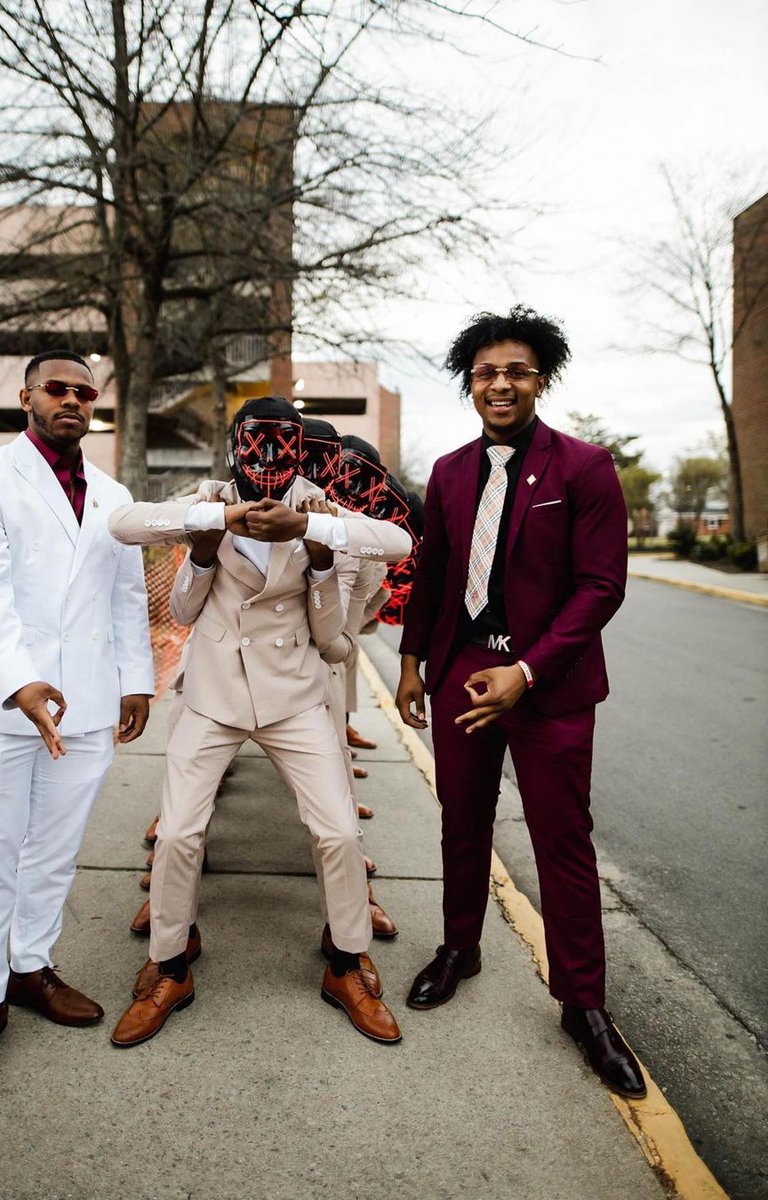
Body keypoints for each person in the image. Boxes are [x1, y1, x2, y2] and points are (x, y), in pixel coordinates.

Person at [396, 307, 646, 1099]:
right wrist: (411, 661)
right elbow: (432, 576)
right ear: (470, 386)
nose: (499, 384)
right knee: (460, 821)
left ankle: (584, 1006)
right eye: (485, 373)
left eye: (516, 371)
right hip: (464, 669)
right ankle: (459, 949)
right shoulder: (448, 472)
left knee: (561, 840)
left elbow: (601, 586)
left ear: (541, 379)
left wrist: (528, 673)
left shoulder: (584, 467)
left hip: (551, 684)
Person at [107, 396, 411, 1047]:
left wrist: (319, 541)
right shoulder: (207, 498)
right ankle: (169, 963)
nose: (269, 457)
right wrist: (212, 536)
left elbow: (394, 546)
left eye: (284, 443)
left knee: (337, 833)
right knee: (180, 834)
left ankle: (346, 962)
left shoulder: (317, 506)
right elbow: (138, 542)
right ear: (235, 444)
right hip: (214, 695)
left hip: (294, 697)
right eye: (256, 441)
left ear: (299, 448)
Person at [0, 350, 154, 1092]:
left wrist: (137, 682)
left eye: (84, 392)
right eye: (57, 388)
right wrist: (21, 683)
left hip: (87, 705)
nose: (71, 399)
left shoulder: (114, 493)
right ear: (26, 394)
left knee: (54, 855)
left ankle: (30, 968)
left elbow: (127, 597)